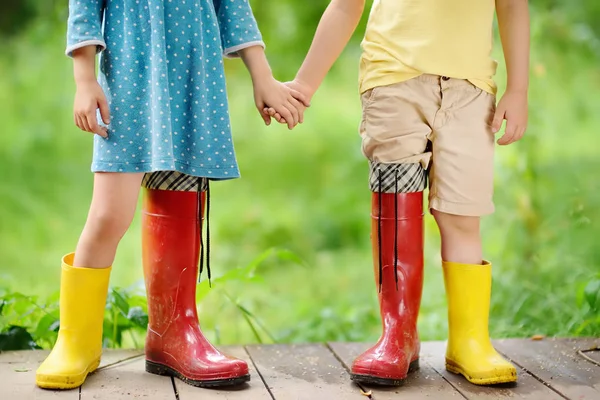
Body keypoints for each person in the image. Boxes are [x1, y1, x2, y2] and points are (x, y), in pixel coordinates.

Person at [35, 0, 308, 390]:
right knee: (110, 213)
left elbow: (231, 4)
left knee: (181, 196)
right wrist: (84, 78)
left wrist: (261, 75)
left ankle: (173, 334)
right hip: (130, 69)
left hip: (195, 68)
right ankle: (76, 341)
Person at [268, 0, 529, 386]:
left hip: (471, 92)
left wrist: (519, 89)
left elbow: (512, 5)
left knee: (462, 215)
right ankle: (398, 336)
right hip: (392, 82)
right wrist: (305, 84)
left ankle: (470, 341)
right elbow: (344, 6)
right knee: (395, 206)